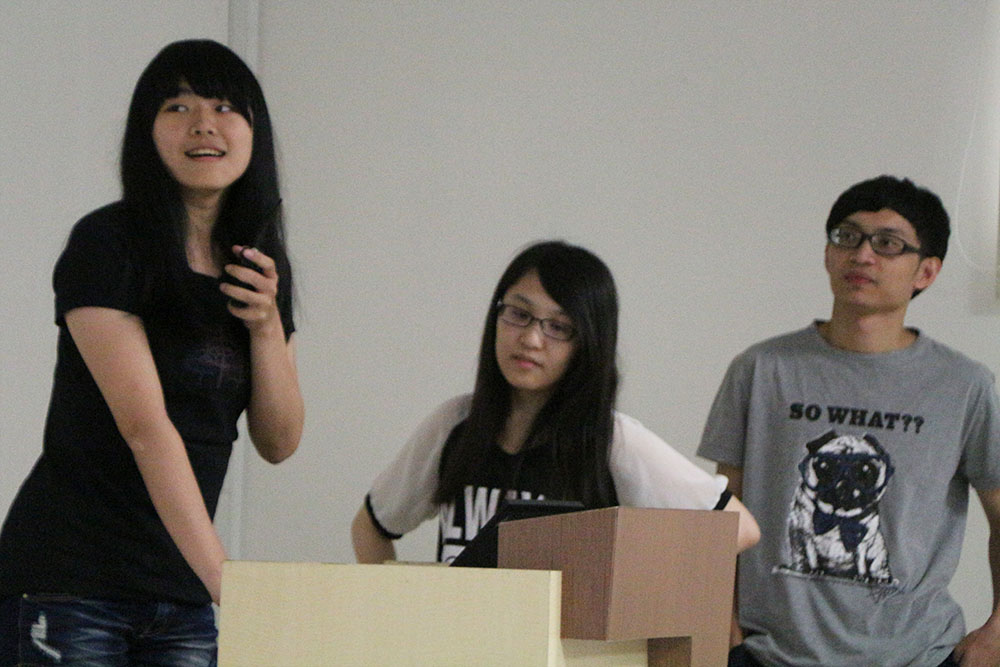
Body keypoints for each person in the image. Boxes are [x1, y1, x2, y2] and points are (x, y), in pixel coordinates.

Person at [0, 39, 303, 665]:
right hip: (72, 581)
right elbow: (146, 429)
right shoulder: (107, 243)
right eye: (177, 106)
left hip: (181, 596)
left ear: (255, 130)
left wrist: (268, 327)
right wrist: (226, 582)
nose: (203, 124)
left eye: (224, 106)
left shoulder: (257, 266)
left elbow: (278, 442)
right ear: (147, 131)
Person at [697, 175, 1000, 666]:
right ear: (827, 254)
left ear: (926, 271)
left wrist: (998, 631)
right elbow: (721, 508)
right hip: (770, 653)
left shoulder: (964, 385)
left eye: (888, 243)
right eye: (847, 237)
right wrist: (721, 626)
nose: (862, 255)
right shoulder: (762, 369)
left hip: (916, 655)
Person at [352, 240, 759, 565]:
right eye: (519, 314)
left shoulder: (611, 440)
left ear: (588, 343)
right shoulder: (454, 424)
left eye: (559, 327)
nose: (531, 339)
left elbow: (738, 529)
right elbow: (370, 527)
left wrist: (627, 583)